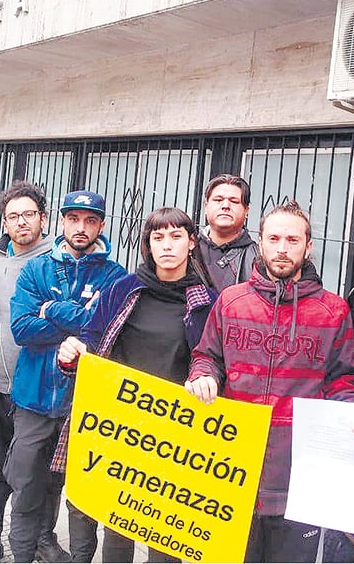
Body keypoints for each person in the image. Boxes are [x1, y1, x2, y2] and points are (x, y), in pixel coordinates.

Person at [186, 201, 354, 563]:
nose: (282, 248)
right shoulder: (231, 301)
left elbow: (342, 381)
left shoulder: (334, 311)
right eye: (274, 238)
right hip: (230, 468)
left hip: (299, 476)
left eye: (293, 239)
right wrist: (203, 375)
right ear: (260, 242)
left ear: (309, 246)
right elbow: (206, 355)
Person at [53, 207, 218, 563]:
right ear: (148, 244)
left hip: (178, 435)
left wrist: (208, 377)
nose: (167, 246)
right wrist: (71, 354)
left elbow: (215, 360)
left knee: (168, 533)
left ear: (192, 243)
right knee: (117, 527)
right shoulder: (123, 289)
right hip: (124, 429)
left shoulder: (209, 302)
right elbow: (90, 343)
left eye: (176, 237)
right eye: (158, 238)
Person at [6, 189, 126, 563]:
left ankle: (61, 551)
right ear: (61, 221)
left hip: (84, 401)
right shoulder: (37, 268)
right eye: (73, 218)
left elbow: (105, 332)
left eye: (90, 220)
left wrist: (52, 308)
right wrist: (78, 320)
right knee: (25, 484)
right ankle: (23, 554)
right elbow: (22, 329)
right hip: (34, 398)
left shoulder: (114, 276)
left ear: (101, 226)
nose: (81, 227)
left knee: (74, 489)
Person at [0, 181, 64, 563]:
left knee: (41, 469)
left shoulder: (59, 260)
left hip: (40, 390)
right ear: (4, 222)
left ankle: (41, 538)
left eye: (29, 214)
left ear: (43, 218)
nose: (21, 222)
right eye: (13, 216)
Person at [197, 173, 259, 289]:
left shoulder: (259, 257)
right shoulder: (187, 250)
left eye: (234, 201)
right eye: (218, 200)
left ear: (246, 210)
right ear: (206, 206)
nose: (225, 206)